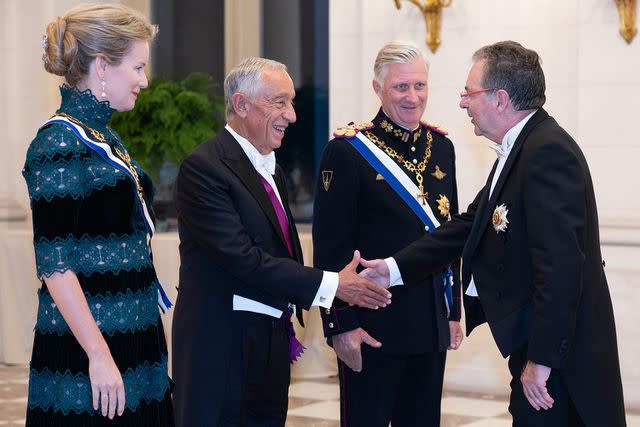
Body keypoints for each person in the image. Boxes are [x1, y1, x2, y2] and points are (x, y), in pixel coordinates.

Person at [360, 40, 626, 426]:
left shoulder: (546, 153)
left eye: (470, 93)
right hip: (542, 345)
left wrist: (542, 360)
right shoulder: (522, 148)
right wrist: (392, 268)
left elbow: (561, 268)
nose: (463, 103)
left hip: (563, 362)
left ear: (500, 99)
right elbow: (471, 224)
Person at [172, 57, 392, 427]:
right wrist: (333, 284)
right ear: (241, 104)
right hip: (222, 347)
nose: (291, 115)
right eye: (279, 102)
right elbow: (243, 259)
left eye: (290, 102)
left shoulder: (270, 166)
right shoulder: (204, 167)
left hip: (269, 343)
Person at [22, 3, 174, 426]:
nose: (145, 81)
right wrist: (99, 354)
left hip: (133, 334)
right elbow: (55, 265)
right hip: (90, 345)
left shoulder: (101, 133)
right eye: (138, 67)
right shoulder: (58, 144)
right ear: (103, 66)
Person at [312, 42, 463, 427]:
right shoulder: (347, 152)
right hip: (373, 325)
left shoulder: (442, 147)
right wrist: (340, 326)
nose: (413, 97)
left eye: (420, 86)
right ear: (378, 89)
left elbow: (450, 236)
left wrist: (453, 312)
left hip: (429, 324)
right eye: (400, 87)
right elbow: (331, 248)